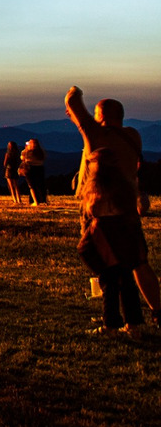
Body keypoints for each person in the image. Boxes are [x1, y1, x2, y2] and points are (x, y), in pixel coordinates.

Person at [66, 86, 161, 323]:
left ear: (101, 116)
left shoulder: (97, 135)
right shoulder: (133, 136)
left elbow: (73, 102)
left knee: (103, 262)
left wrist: (75, 91)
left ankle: (114, 317)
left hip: (101, 211)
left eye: (97, 115)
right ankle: (155, 311)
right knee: (137, 262)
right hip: (127, 208)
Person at [77, 149, 146, 338]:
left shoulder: (97, 188)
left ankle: (111, 325)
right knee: (127, 280)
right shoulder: (125, 186)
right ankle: (133, 324)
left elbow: (96, 214)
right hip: (124, 235)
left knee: (109, 281)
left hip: (106, 236)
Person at [21, 138, 47, 205]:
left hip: (30, 168)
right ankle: (43, 200)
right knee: (40, 185)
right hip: (40, 168)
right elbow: (44, 158)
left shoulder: (27, 152)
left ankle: (35, 201)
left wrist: (26, 149)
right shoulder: (41, 151)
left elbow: (22, 158)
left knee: (32, 185)